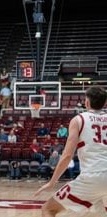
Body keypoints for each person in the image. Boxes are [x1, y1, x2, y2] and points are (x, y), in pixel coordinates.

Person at [35, 86, 107, 217]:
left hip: (93, 176)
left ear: (86, 102)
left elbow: (67, 155)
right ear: (105, 103)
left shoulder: (79, 119)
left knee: (48, 209)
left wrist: (52, 182)